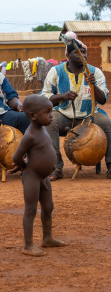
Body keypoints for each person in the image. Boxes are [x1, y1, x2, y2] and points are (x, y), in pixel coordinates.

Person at [41, 31, 111, 181]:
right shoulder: (56, 72)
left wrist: (93, 85)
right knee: (49, 122)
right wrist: (62, 96)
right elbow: (44, 97)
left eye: (85, 52)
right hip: (63, 114)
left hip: (89, 116)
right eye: (79, 53)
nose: (83, 55)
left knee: (106, 123)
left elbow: (103, 99)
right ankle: (56, 167)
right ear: (69, 56)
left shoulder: (95, 72)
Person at [8, 95, 67, 257]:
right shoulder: (30, 135)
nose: (51, 115)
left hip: (44, 177)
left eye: (51, 111)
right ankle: (28, 245)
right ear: (33, 116)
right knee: (31, 209)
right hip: (32, 177)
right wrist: (22, 166)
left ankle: (47, 238)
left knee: (48, 207)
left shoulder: (42, 129)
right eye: (47, 112)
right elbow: (16, 157)